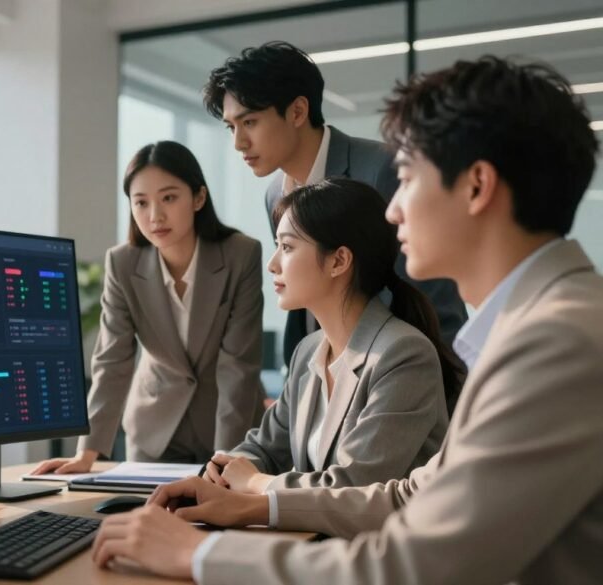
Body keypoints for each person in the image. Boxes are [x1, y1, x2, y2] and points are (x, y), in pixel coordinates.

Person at [91, 56, 603, 584]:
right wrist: (251, 504)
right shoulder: (534, 329)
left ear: (476, 186)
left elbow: (415, 564)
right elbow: (409, 494)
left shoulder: (557, 342)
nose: (392, 209)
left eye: (406, 179)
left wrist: (196, 556)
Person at [203, 41, 467, 367]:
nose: (238, 143)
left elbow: (434, 302)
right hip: (326, 383)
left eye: (250, 122)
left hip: (402, 378)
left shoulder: (382, 171)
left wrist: (446, 396)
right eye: (231, 127)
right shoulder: (275, 194)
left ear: (298, 111)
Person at [201, 178, 460, 495]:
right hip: (317, 538)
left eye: (287, 247)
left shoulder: (404, 354)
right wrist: (226, 469)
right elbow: (266, 448)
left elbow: (355, 485)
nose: (272, 264)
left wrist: (255, 482)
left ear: (339, 261)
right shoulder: (308, 351)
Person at [33, 141, 265, 471]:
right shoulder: (123, 263)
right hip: (155, 431)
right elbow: (112, 359)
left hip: (230, 427)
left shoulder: (241, 254)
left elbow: (238, 366)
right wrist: (88, 453)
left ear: (198, 198)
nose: (154, 216)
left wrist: (227, 459)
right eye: (141, 202)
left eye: (169, 198)